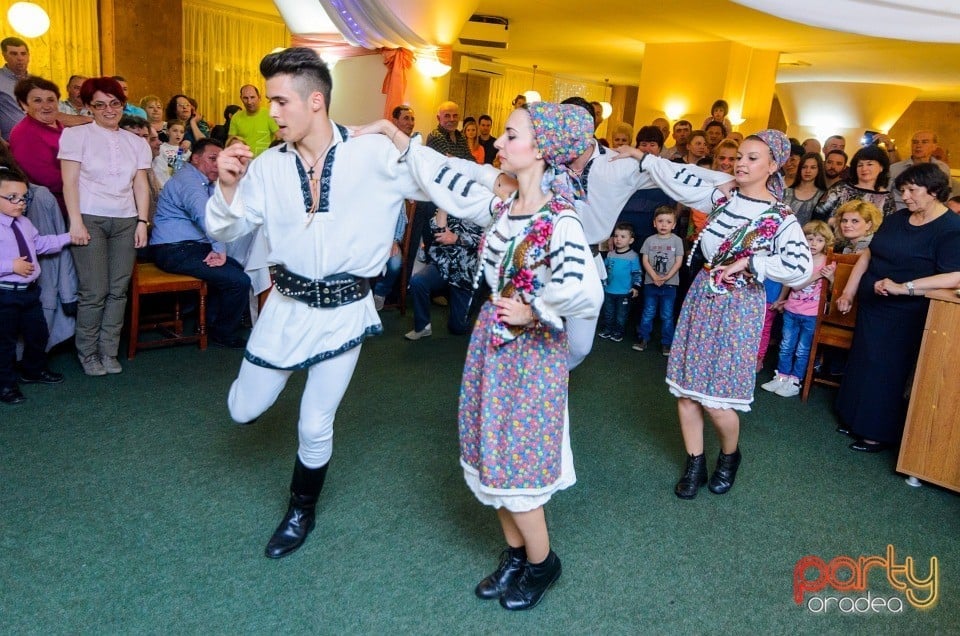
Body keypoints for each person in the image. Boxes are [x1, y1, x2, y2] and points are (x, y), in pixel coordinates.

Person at [203, 48, 472, 560]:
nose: (272, 112)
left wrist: (401, 138)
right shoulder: (266, 166)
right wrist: (227, 184)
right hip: (285, 308)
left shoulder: (371, 154)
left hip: (346, 310)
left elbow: (447, 183)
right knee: (243, 410)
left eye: (281, 102)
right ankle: (267, 389)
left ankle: (300, 509)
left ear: (316, 101)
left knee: (313, 422)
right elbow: (226, 227)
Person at [366, 101, 602, 611]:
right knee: (493, 452)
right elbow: (446, 182)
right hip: (491, 349)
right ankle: (515, 556)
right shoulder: (504, 206)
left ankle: (543, 564)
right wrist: (402, 143)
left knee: (519, 465)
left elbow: (586, 291)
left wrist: (535, 309)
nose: (498, 142)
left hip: (532, 357)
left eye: (510, 136)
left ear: (540, 149)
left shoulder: (559, 219)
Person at [614, 130, 811, 498]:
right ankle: (694, 461)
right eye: (740, 156)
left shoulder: (780, 217)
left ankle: (729, 456)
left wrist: (753, 261)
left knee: (718, 401)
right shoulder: (723, 196)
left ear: (773, 166)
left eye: (754, 158)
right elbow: (684, 178)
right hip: (703, 296)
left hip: (739, 307)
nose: (742, 163)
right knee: (688, 392)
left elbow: (800, 268)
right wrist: (644, 160)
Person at [835, 163, 960, 452]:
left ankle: (875, 432)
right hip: (872, 303)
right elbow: (869, 253)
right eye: (902, 190)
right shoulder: (897, 218)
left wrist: (906, 287)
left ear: (934, 191)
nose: (905, 196)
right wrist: (850, 291)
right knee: (863, 361)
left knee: (886, 369)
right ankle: (853, 418)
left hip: (906, 310)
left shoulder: (950, 228)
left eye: (912, 190)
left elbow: (955, 274)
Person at [58, 77, 152, 376]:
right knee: (94, 291)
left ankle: (108, 351)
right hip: (89, 217)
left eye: (115, 103)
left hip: (126, 220)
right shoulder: (76, 136)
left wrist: (142, 221)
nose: (109, 110)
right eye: (100, 104)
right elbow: (69, 182)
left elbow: (141, 185)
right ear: (88, 107)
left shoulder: (136, 141)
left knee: (117, 291)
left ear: (123, 105)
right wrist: (75, 222)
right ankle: (88, 353)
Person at [150, 138, 250, 347]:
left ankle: (210, 323)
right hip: (173, 249)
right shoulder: (189, 181)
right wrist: (219, 249)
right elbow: (205, 217)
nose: (217, 165)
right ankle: (224, 333)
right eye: (212, 159)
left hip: (189, 246)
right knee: (238, 280)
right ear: (195, 159)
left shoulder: (206, 182)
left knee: (237, 269)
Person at [0, 167, 75, 405]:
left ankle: (33, 370)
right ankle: (6, 385)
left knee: (38, 333)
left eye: (23, 198)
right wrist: (10, 266)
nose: (19, 203)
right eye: (12, 198)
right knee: (5, 343)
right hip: (5, 294)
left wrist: (68, 237)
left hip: (30, 293)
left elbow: (40, 243)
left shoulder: (23, 223)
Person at [761, 220, 835, 397]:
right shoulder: (799, 260)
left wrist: (831, 278)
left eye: (819, 240)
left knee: (803, 349)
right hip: (792, 309)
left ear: (826, 243)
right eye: (810, 239)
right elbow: (792, 284)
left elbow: (832, 291)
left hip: (811, 314)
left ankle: (794, 381)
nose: (814, 244)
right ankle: (781, 377)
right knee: (786, 345)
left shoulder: (829, 263)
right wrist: (781, 299)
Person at [404, 208, 483, 340]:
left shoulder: (484, 206)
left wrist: (455, 238)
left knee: (458, 328)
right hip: (443, 262)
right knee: (418, 281)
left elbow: (486, 239)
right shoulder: (449, 202)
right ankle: (422, 326)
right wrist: (443, 205)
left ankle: (465, 305)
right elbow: (436, 231)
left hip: (466, 270)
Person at [8, 76, 66, 216]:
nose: (46, 106)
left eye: (50, 100)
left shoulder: (57, 126)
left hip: (73, 199)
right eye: (37, 100)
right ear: (24, 105)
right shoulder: (25, 133)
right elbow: (48, 180)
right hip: (52, 209)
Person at [635, 206, 683, 354]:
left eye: (668, 222)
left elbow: (678, 261)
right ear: (654, 223)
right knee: (648, 312)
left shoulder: (677, 241)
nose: (664, 224)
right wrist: (654, 276)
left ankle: (667, 343)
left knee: (667, 315)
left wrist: (667, 277)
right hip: (651, 283)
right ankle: (643, 338)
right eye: (660, 221)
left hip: (669, 285)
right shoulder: (649, 240)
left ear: (674, 225)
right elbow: (645, 260)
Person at [813, 145, 896, 222]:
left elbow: (888, 227)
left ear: (881, 167)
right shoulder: (841, 188)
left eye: (869, 164)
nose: (864, 169)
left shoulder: (886, 198)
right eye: (860, 165)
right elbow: (818, 213)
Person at [598, 222, 641, 342]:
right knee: (608, 312)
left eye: (623, 237)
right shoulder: (610, 254)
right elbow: (603, 270)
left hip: (624, 292)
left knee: (621, 316)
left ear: (631, 240)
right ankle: (607, 330)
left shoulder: (633, 256)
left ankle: (618, 332)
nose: (618, 239)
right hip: (609, 290)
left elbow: (637, 273)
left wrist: (636, 287)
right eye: (616, 236)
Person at [228, 85, 278, 157]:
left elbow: (280, 137)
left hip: (265, 161)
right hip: (244, 161)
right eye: (245, 98)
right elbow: (231, 142)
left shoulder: (269, 114)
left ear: (259, 97)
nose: (249, 102)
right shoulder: (236, 117)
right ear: (241, 98)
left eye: (252, 97)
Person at [784, 152, 827, 226]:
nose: (808, 171)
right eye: (804, 167)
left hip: (810, 236)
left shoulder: (823, 196)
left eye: (813, 167)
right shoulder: (786, 192)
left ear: (819, 170)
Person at [0, 37, 29, 139]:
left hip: (39, 139)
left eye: (23, 53)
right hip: (10, 143)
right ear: (4, 56)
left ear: (28, 56)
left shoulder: (35, 82)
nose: (20, 58)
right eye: (14, 54)